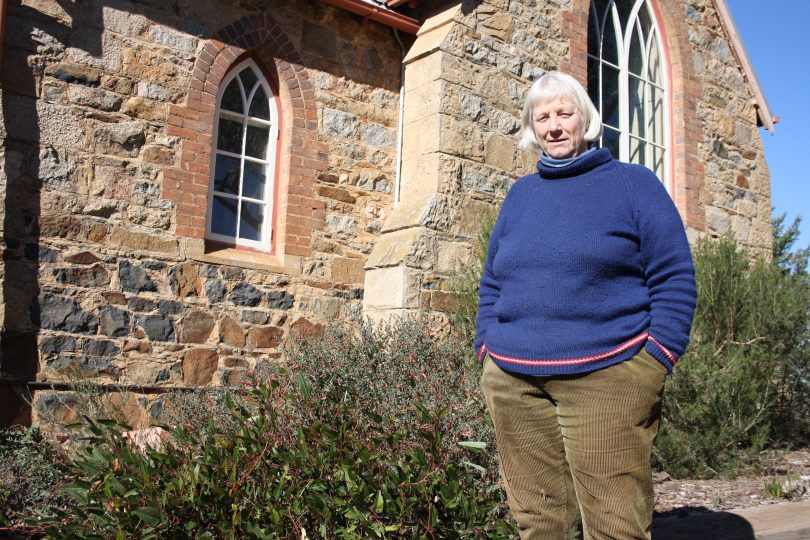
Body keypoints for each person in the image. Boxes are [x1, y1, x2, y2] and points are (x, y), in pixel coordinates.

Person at [476, 71, 697, 539]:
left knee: (616, 524)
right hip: (514, 379)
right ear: (532, 128)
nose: (554, 126)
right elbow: (493, 279)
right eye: (543, 118)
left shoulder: (633, 184)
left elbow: (674, 275)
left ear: (586, 119)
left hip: (608, 376)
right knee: (539, 522)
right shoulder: (520, 195)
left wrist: (656, 358)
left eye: (564, 113)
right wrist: (486, 349)